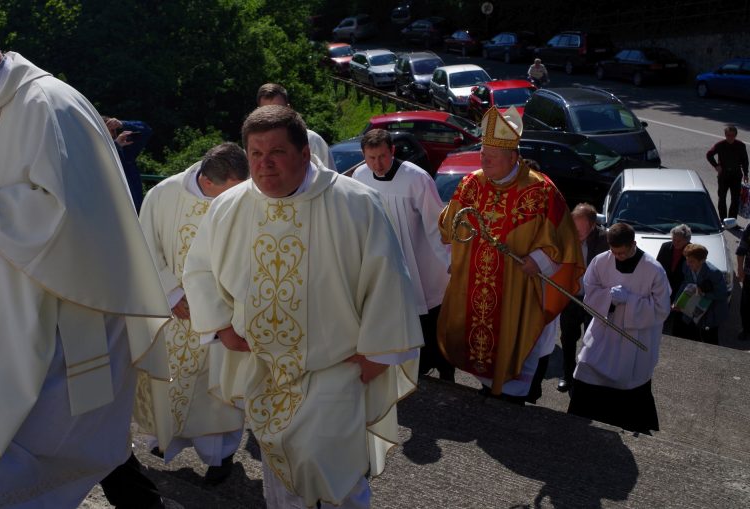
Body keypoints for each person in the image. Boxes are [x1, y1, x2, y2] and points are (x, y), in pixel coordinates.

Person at [182, 105, 423, 508]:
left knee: (337, 472)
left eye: (277, 152)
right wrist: (222, 326)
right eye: (256, 154)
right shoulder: (229, 206)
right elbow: (200, 269)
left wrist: (378, 356)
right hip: (263, 368)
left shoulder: (356, 203)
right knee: (279, 466)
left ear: (305, 154)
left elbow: (389, 280)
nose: (265, 164)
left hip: (336, 368)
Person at [0, 23, 173, 508]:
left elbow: (67, 215)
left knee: (25, 465)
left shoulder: (48, 105)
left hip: (68, 318)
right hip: (13, 313)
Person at [437, 105, 583, 405]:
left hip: (519, 289)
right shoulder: (471, 184)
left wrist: (538, 260)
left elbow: (564, 241)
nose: (484, 160)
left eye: (492, 155)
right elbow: (449, 226)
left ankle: (514, 401)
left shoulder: (541, 191)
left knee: (514, 357)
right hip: (476, 288)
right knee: (481, 354)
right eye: (483, 153)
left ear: (513, 157)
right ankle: (487, 391)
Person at [133, 142, 249, 485]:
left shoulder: (247, 197)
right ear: (208, 181)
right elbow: (144, 244)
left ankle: (221, 456)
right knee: (171, 383)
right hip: (175, 314)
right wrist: (171, 293)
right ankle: (166, 442)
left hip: (222, 313)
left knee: (217, 389)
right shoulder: (163, 194)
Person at [351, 129, 454, 381]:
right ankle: (407, 371)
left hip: (420, 261)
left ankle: (445, 373)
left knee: (430, 320)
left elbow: (435, 224)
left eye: (382, 156)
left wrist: (450, 261)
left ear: (393, 151)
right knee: (394, 317)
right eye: (371, 158)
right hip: (385, 261)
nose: (377, 164)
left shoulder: (416, 178)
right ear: (363, 155)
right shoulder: (359, 176)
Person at [568, 223, 670, 434]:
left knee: (628, 380)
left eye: (622, 253)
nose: (618, 257)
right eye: (614, 252)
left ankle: (630, 425)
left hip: (634, 337)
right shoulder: (601, 261)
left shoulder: (653, 269)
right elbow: (590, 292)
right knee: (585, 367)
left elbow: (661, 309)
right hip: (604, 333)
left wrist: (629, 301)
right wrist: (608, 298)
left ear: (633, 244)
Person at [557, 203, 608, 393]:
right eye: (573, 227)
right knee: (567, 339)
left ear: (592, 225)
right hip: (571, 297)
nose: (575, 233)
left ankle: (587, 379)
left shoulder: (605, 240)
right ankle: (567, 375)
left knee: (593, 341)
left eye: (580, 229)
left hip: (594, 300)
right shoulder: (566, 237)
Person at [255, 82, 337, 171]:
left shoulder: (312, 141)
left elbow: (330, 177)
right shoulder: (254, 146)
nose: (274, 116)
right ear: (258, 112)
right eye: (267, 111)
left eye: (279, 109)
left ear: (289, 108)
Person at [672, 243, 729, 345]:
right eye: (687, 260)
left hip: (710, 313)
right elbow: (685, 283)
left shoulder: (714, 273)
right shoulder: (686, 266)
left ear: (702, 260)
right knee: (693, 337)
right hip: (693, 310)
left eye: (691, 261)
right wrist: (677, 301)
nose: (688, 264)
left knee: (710, 341)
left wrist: (703, 294)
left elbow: (722, 294)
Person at [103, 116, 153, 213]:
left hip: (133, 202)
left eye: (113, 130)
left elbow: (147, 130)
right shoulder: (96, 149)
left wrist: (122, 124)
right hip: (112, 206)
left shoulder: (125, 148)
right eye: (108, 130)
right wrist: (116, 145)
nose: (112, 134)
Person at [706, 125, 748, 222]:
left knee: (735, 199)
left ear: (735, 135)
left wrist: (746, 174)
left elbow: (745, 160)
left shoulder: (741, 145)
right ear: (725, 135)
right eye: (728, 135)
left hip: (736, 175)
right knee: (722, 198)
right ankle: (723, 220)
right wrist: (716, 166)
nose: (730, 137)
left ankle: (732, 221)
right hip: (723, 175)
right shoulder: (720, 145)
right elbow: (709, 154)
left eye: (732, 135)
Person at [656, 224, 692, 335]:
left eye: (678, 241)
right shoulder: (665, 247)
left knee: (678, 319)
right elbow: (658, 265)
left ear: (686, 241)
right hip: (665, 285)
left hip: (681, 287)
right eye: (673, 239)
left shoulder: (692, 251)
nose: (675, 243)